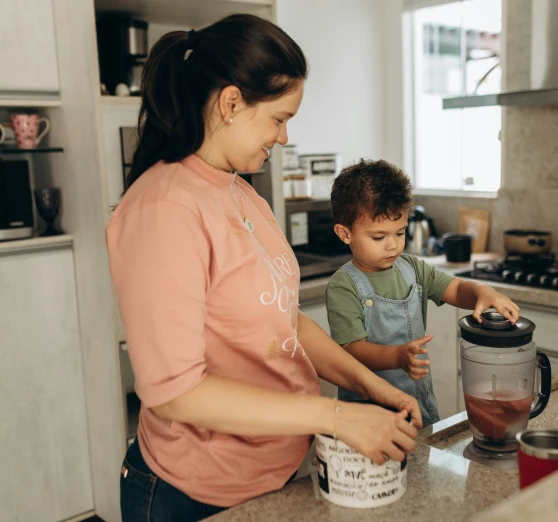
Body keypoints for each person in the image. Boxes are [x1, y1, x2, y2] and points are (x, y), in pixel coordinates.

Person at [105, 14, 422, 522]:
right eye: (278, 118)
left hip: (273, 474)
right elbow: (176, 393)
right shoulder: (164, 208)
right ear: (231, 103)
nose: (284, 135)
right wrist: (336, 416)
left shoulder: (242, 193)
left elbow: (284, 321)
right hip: (195, 492)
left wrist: (369, 385)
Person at [325, 159, 520, 427]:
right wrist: (396, 357)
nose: (393, 245)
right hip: (368, 416)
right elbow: (350, 349)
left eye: (400, 232)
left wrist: (481, 291)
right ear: (344, 233)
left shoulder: (413, 269)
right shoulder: (343, 285)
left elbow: (454, 289)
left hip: (418, 404)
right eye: (379, 237)